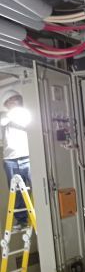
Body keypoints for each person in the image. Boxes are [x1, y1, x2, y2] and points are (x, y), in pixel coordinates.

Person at [0, 89, 31, 229]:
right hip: (10, 160)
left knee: (37, 186)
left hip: (28, 156)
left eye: (16, 100)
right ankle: (21, 220)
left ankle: (43, 215)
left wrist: (15, 115)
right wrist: (7, 117)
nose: (14, 102)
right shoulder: (3, 118)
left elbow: (28, 124)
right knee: (16, 191)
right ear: (6, 104)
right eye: (11, 101)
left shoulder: (26, 114)